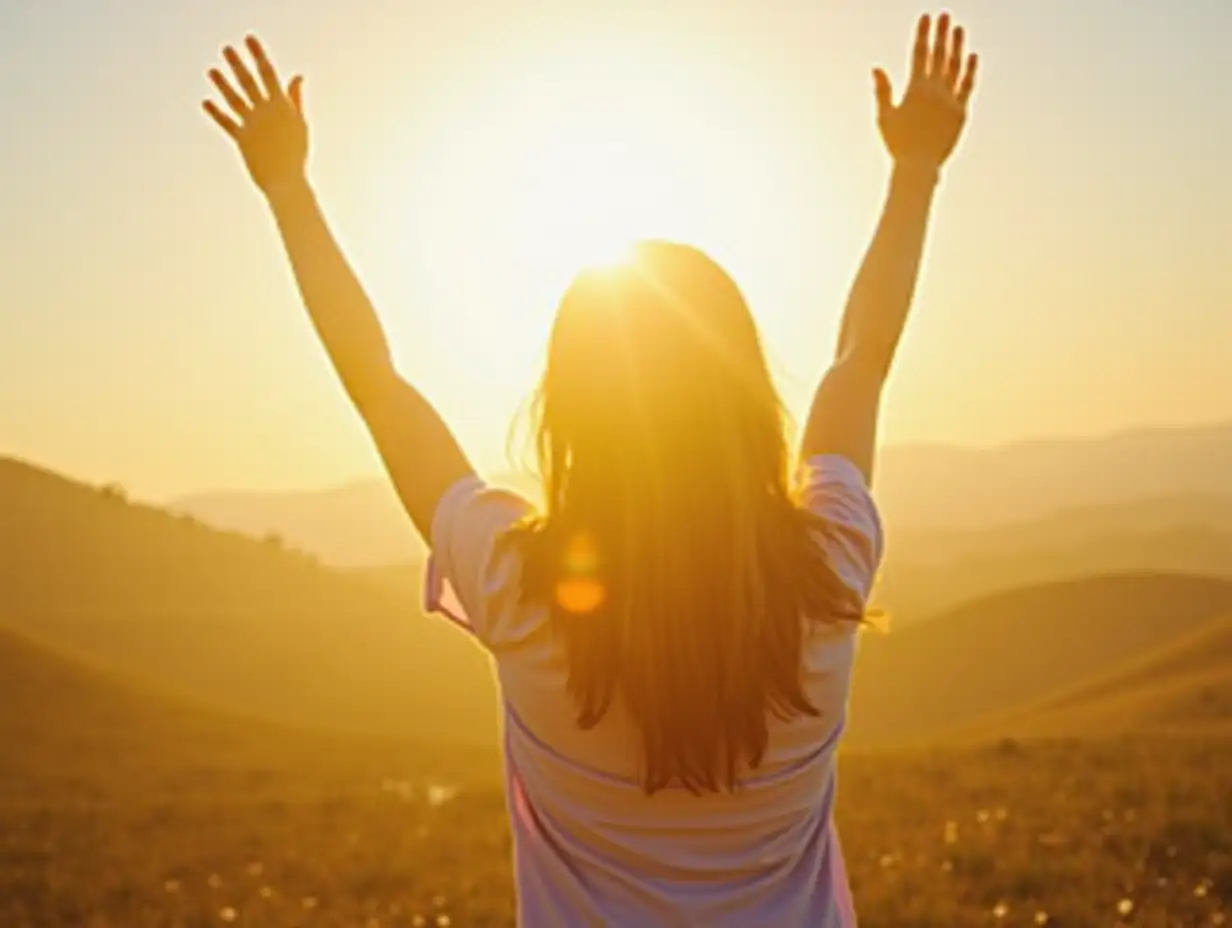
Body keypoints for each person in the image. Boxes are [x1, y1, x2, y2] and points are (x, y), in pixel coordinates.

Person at [203, 11, 977, 925]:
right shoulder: (828, 566)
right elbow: (862, 360)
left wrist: (289, 189)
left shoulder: (513, 580)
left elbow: (378, 387)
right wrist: (916, 171)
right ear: (744, 397)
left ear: (569, 412)